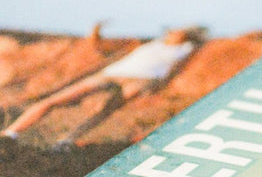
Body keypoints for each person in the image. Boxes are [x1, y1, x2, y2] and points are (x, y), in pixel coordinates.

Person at [2, 27, 202, 142]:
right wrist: (96, 32)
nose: (177, 32)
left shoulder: (186, 49)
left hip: (142, 80)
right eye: (176, 29)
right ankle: (11, 132)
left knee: (105, 111)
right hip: (114, 73)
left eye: (183, 30)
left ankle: (67, 140)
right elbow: (106, 47)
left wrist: (156, 86)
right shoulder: (150, 40)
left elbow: (176, 70)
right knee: (56, 100)